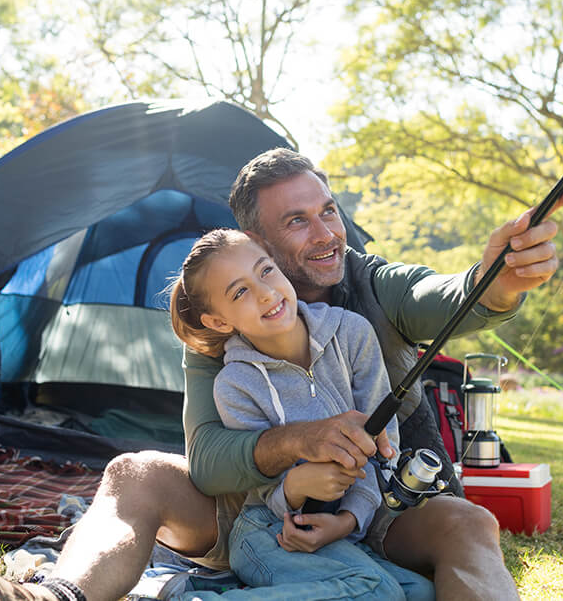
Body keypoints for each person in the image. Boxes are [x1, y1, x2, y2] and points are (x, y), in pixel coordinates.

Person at [0, 148, 563, 601]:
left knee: (470, 522)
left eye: (329, 211)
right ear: (252, 245)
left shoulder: (368, 285)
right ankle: (47, 598)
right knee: (136, 470)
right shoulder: (219, 328)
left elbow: (453, 297)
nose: (326, 234)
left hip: (385, 509)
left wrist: (500, 279)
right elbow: (206, 458)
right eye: (297, 223)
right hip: (249, 515)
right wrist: (301, 443)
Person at [168, 228, 435, 600]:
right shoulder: (235, 384)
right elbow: (261, 487)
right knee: (378, 593)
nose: (264, 292)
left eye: (265, 271)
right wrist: (294, 488)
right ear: (218, 322)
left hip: (335, 531)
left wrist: (347, 520)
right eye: (240, 292)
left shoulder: (352, 334)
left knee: (421, 592)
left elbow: (383, 446)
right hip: (267, 530)